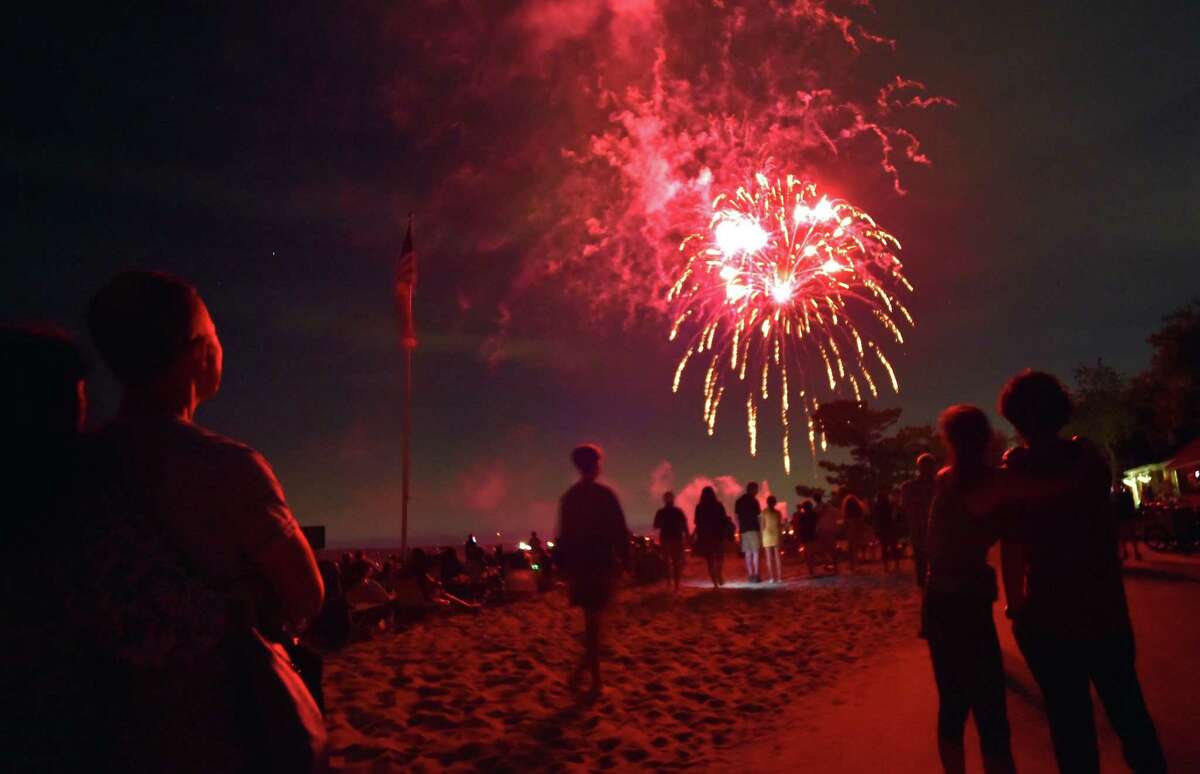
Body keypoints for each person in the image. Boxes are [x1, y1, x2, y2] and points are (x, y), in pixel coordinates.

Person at [85, 270, 325, 771]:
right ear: (199, 353)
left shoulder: (84, 461)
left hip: (108, 723)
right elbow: (306, 591)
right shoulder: (227, 468)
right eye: (216, 334)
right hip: (214, 718)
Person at [998, 371, 1165, 774]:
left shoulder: (1018, 470)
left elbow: (1014, 546)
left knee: (1070, 727)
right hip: (1104, 607)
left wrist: (1016, 609)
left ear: (1015, 418)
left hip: (1049, 615)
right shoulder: (1089, 459)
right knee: (1129, 713)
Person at [555, 444, 630, 699]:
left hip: (580, 566)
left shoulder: (569, 497)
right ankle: (593, 680)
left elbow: (563, 536)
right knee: (598, 626)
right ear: (595, 465)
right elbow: (619, 530)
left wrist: (564, 569)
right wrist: (626, 560)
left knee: (593, 623)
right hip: (600, 563)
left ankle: (583, 674)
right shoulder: (603, 494)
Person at [900, 452, 938, 586]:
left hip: (920, 531)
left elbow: (905, 509)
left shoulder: (908, 487)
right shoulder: (940, 485)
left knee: (922, 566)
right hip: (934, 531)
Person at [693, 486, 730, 588]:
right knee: (720, 557)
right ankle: (719, 572)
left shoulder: (699, 507)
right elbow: (724, 519)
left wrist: (694, 535)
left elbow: (697, 523)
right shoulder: (718, 505)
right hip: (718, 534)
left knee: (710, 560)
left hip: (705, 536)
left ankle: (715, 584)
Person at [653, 491, 689, 592]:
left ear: (664, 500)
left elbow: (656, 525)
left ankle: (669, 582)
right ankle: (676, 585)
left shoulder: (660, 512)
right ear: (673, 499)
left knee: (667, 562)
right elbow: (684, 525)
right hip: (677, 538)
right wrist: (687, 537)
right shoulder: (678, 511)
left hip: (665, 539)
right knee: (677, 562)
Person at [735, 481, 763, 582]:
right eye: (756, 489)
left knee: (747, 553)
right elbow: (759, 517)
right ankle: (756, 574)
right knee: (755, 552)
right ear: (753, 489)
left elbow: (736, 518)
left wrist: (739, 530)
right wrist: (761, 529)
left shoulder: (738, 501)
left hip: (744, 530)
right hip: (753, 529)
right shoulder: (754, 501)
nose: (757, 491)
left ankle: (750, 575)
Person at [810, 491, 839, 575]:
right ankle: (835, 567)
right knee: (832, 549)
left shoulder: (815, 510)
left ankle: (828, 565)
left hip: (822, 531)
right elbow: (835, 514)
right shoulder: (828, 506)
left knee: (823, 550)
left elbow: (814, 521)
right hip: (830, 529)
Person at [1112, 484, 1143, 561]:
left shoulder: (1116, 497)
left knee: (1126, 536)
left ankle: (1130, 552)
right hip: (1124, 518)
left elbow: (1115, 508)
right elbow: (1131, 505)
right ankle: (1132, 552)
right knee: (1127, 536)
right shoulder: (1125, 495)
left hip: (1124, 518)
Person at [873, 489, 899, 572]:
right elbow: (894, 514)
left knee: (884, 547)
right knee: (893, 546)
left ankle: (886, 566)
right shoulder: (889, 505)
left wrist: (876, 528)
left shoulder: (876, 507)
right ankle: (896, 564)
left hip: (882, 528)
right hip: (890, 527)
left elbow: (875, 519)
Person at [760, 495, 784, 583]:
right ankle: (780, 577)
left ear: (767, 503)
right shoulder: (778, 513)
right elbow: (779, 525)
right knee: (778, 557)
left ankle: (772, 578)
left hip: (767, 535)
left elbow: (762, 526)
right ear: (775, 503)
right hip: (776, 534)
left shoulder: (764, 512)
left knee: (769, 558)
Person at [841, 494, 868, 570]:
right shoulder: (859, 513)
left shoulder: (847, 515)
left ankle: (852, 564)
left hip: (850, 533)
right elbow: (862, 523)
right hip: (857, 532)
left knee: (851, 548)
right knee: (855, 549)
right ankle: (856, 564)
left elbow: (845, 525)